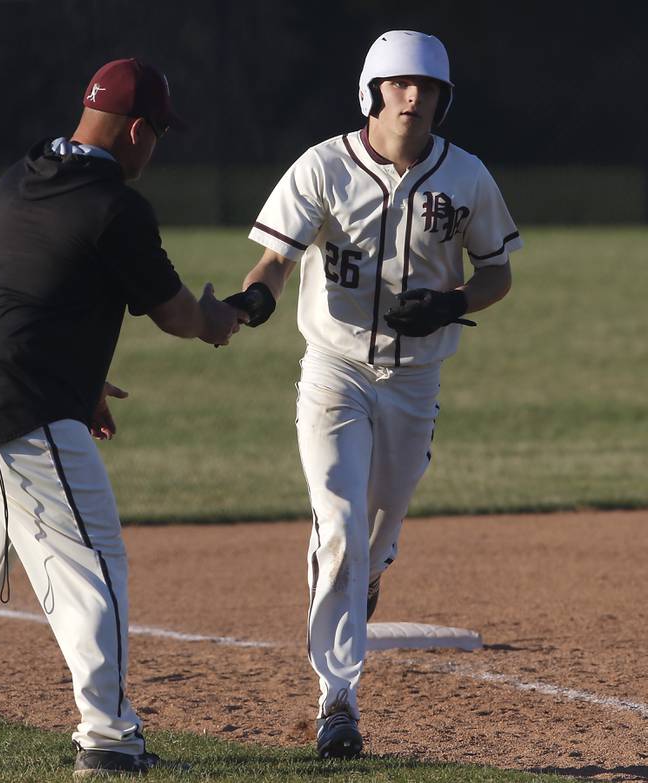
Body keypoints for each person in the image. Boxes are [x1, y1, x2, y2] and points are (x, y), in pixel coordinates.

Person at [0, 58, 243, 777]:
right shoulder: (117, 205)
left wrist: (86, 381)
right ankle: (109, 736)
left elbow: (29, 284)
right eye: (158, 132)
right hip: (18, 410)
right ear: (136, 130)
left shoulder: (24, 173)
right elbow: (175, 313)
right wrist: (216, 320)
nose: (156, 147)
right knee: (90, 562)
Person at [228, 30, 521, 758]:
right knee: (338, 523)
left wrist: (454, 303)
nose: (413, 96)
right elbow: (273, 259)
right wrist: (254, 301)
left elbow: (497, 272)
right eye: (398, 84)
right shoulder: (324, 166)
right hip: (334, 372)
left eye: (428, 87)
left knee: (376, 536)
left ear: (444, 100)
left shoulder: (468, 177)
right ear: (372, 91)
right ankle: (338, 700)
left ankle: (370, 572)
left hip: (416, 380)